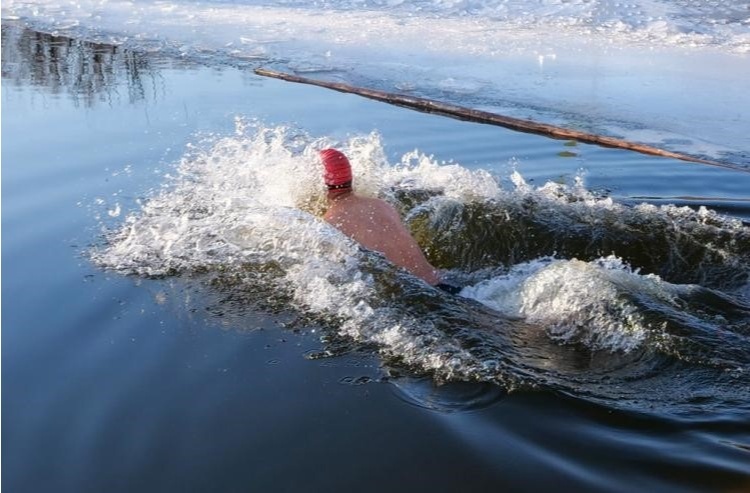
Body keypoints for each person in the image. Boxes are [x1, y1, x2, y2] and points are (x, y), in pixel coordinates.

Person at [319, 148, 461, 294]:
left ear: (322, 182)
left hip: (420, 292)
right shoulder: (381, 205)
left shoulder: (332, 221)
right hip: (445, 281)